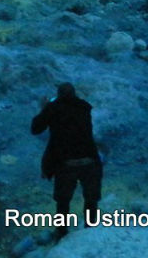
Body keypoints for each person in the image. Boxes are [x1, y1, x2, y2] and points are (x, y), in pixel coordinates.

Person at [30, 82, 102, 237]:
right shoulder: (84, 107)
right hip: (89, 160)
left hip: (66, 163)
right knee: (91, 199)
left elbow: (35, 128)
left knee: (63, 201)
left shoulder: (53, 108)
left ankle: (62, 233)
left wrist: (44, 108)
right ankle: (90, 232)